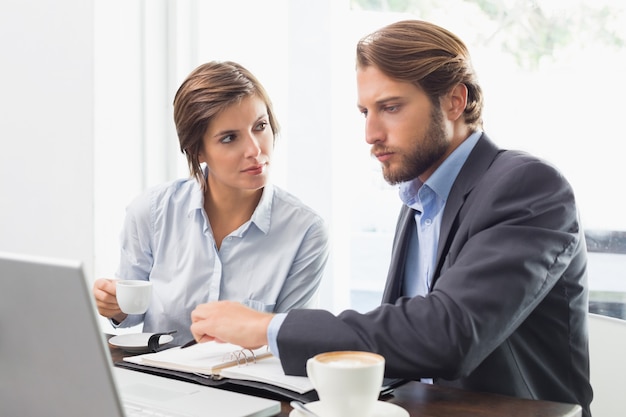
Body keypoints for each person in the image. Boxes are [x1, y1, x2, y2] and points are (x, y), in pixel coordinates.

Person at [188, 20, 592, 416]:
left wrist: (267, 327)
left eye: (391, 107)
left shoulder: (527, 186)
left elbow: (446, 335)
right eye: (365, 111)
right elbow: (402, 339)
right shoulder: (420, 197)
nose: (370, 133)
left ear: (454, 101)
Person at [93, 61, 329, 345]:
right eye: (229, 138)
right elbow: (130, 312)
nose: (255, 150)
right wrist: (114, 306)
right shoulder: (151, 212)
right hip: (160, 384)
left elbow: (290, 341)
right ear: (197, 151)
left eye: (260, 126)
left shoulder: (305, 231)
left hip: (247, 387)